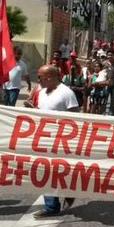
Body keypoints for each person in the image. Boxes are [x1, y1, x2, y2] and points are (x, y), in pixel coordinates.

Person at [33, 66, 80, 218]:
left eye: (40, 77)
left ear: (50, 76)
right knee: (45, 171)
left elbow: (76, 118)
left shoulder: (66, 93)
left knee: (62, 171)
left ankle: (69, 191)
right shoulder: (41, 93)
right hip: (44, 140)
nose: (39, 80)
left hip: (63, 141)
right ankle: (51, 206)